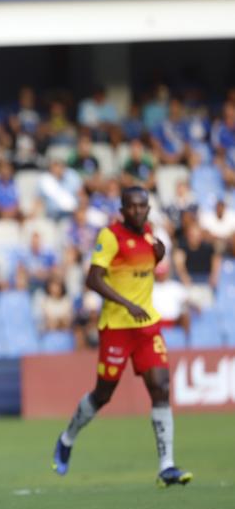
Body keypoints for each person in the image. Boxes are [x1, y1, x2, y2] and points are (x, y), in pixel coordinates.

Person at [53, 187, 192, 487]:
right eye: (132, 207)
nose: (139, 211)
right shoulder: (109, 236)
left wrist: (159, 257)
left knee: (161, 387)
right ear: (122, 209)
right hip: (116, 328)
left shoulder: (150, 234)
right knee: (103, 395)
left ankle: (166, 466)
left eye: (143, 206)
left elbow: (140, 272)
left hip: (146, 328)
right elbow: (93, 279)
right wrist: (127, 304)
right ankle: (67, 438)